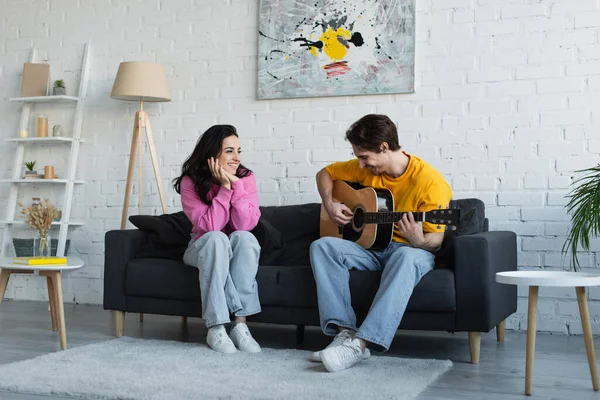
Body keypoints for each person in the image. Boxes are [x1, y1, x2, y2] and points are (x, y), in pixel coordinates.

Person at [310, 114, 452, 372]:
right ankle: (344, 334)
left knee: (406, 257)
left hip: (411, 250)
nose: (360, 165)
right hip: (371, 248)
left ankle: (360, 346)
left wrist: (419, 240)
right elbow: (325, 173)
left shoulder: (430, 183)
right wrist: (330, 204)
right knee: (322, 246)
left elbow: (437, 239)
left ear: (384, 147)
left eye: (364, 157)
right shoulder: (363, 168)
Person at [173, 125, 262, 354]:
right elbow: (211, 226)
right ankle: (216, 326)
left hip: (230, 242)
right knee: (216, 239)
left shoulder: (245, 178)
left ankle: (240, 325)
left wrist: (236, 185)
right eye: (230, 151)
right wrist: (224, 188)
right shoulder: (189, 182)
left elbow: (245, 225)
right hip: (201, 245)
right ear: (213, 154)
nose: (236, 158)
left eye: (239, 151)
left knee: (246, 239)